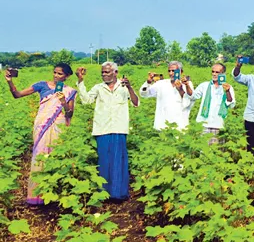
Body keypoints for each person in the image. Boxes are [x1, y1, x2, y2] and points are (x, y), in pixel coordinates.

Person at [6, 63, 77, 205]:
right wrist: (10, 81)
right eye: (55, 73)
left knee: (56, 155)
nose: (56, 76)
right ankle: (37, 195)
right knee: (40, 156)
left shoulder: (69, 91)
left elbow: (70, 113)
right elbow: (17, 95)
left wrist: (63, 101)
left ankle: (55, 195)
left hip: (59, 126)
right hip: (42, 124)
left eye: (60, 74)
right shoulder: (42, 85)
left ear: (67, 76)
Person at [75, 62, 139, 202]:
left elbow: (135, 102)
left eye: (107, 72)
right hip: (102, 128)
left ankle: (118, 193)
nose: (104, 75)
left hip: (119, 128)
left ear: (116, 72)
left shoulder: (123, 87)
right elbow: (86, 100)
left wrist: (129, 87)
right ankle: (104, 193)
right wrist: (80, 81)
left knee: (118, 160)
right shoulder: (98, 88)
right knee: (104, 160)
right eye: (103, 72)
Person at [186, 63, 236, 144]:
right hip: (204, 124)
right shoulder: (204, 85)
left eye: (217, 72)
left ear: (223, 74)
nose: (214, 74)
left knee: (216, 152)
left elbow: (231, 104)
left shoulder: (228, 87)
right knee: (203, 151)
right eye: (213, 72)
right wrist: (187, 85)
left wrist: (227, 91)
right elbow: (193, 96)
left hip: (218, 124)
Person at [139, 61, 194, 130]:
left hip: (180, 126)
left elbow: (189, 102)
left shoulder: (187, 84)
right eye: (169, 71)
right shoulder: (161, 84)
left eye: (173, 71)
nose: (171, 73)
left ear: (181, 71)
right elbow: (144, 94)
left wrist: (180, 89)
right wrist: (148, 82)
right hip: (162, 126)